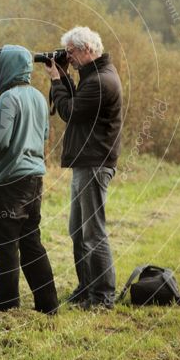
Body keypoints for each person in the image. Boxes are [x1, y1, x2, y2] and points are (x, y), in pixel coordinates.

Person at [0, 45, 59, 315]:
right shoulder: (37, 97)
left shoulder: (8, 99)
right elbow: (43, 135)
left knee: (6, 245)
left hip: (9, 182)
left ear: (6, 68)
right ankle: (48, 303)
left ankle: (5, 302)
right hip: (34, 179)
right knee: (31, 242)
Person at [43, 26, 122, 309]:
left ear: (87, 49)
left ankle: (102, 297)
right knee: (77, 230)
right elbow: (77, 102)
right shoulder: (94, 77)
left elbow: (70, 112)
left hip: (94, 163)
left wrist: (55, 80)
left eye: (72, 53)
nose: (69, 58)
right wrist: (64, 75)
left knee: (93, 232)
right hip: (86, 163)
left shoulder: (101, 82)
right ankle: (86, 288)